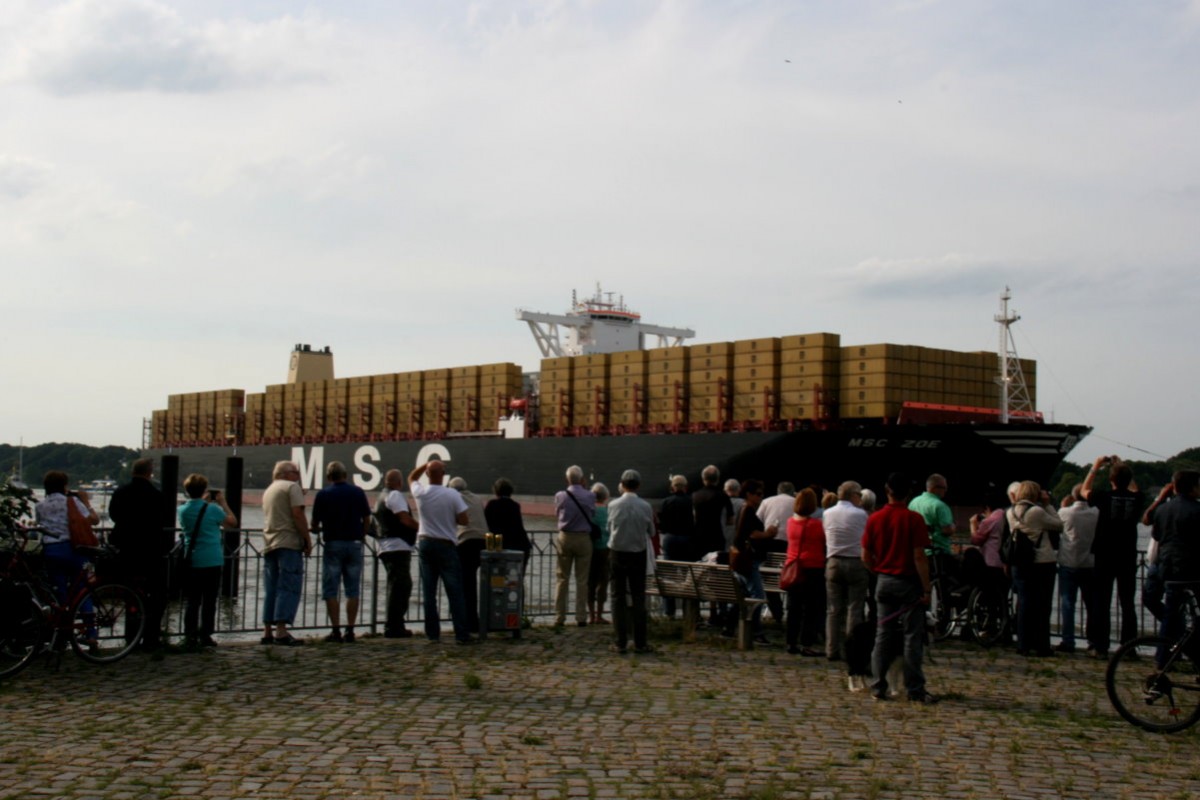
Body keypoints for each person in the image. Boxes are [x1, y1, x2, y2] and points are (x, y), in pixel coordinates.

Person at [860, 472, 937, 704]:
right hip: (909, 582)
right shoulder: (914, 519)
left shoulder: (874, 518)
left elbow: (865, 555)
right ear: (909, 493)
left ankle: (877, 685)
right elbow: (919, 557)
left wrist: (879, 572)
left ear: (887, 490)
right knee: (912, 637)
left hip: (884, 581)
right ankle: (914, 689)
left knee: (882, 635)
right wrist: (926, 589)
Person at [1082, 455, 1145, 657]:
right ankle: (1129, 646)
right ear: (1129, 479)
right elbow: (1134, 489)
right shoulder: (1137, 498)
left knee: (1102, 601)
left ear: (1111, 480)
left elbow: (1083, 491)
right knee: (1127, 603)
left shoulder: (1104, 497)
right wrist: (1122, 466)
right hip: (1127, 555)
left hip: (1104, 554)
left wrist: (1096, 466)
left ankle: (1101, 646)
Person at [108, 457, 169, 649]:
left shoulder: (120, 492)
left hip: (126, 549)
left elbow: (113, 515)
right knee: (157, 595)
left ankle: (131, 637)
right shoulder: (156, 495)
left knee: (131, 594)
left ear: (133, 471)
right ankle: (151, 637)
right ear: (150, 473)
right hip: (150, 550)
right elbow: (162, 519)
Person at [409, 460, 472, 644]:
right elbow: (464, 520)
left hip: (425, 543)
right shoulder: (452, 494)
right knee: (455, 591)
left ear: (427, 475)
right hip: (446, 545)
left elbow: (411, 477)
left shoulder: (420, 492)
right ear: (443, 474)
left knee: (428, 593)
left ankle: (432, 635)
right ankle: (461, 634)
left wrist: (426, 465)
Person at [311, 461, 371, 644]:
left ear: (329, 477)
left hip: (333, 545)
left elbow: (315, 522)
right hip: (354, 544)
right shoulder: (358, 492)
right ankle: (350, 630)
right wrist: (362, 534)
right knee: (353, 590)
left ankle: (335, 631)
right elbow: (367, 517)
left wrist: (315, 530)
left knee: (331, 590)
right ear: (346, 475)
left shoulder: (323, 494)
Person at [177, 474, 238, 649]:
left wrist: (203, 501)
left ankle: (189, 636)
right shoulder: (213, 510)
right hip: (212, 559)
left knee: (192, 600)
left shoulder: (182, 510)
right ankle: (206, 635)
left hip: (192, 559)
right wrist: (223, 503)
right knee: (210, 600)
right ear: (204, 489)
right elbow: (232, 523)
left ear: (187, 491)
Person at [1006, 481, 1063, 658]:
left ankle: (1023, 644)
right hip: (1042, 562)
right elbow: (1059, 525)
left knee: (1024, 603)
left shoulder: (1010, 511)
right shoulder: (1037, 512)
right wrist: (1048, 504)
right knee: (1042, 606)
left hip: (1020, 562)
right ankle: (1042, 646)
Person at [1148, 470, 1200, 657]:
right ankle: (1193, 652)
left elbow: (1156, 535)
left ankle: (1162, 659)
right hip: (1192, 571)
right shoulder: (1196, 510)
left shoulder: (1162, 510)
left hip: (1168, 569)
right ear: (1193, 487)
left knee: (1170, 616)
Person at [261, 460, 312, 646]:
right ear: (285, 473)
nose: (298, 476)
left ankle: (267, 631)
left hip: (269, 543)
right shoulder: (292, 487)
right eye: (295, 472)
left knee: (271, 588)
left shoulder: (270, 489)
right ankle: (281, 631)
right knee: (289, 586)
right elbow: (297, 515)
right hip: (288, 543)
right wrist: (307, 539)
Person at [606, 469, 655, 654]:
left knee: (617, 597)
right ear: (639, 485)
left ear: (622, 484)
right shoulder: (646, 506)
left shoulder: (612, 505)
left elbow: (608, 528)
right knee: (638, 597)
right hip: (638, 554)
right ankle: (641, 642)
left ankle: (620, 642)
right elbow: (651, 532)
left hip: (617, 554)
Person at [34, 471, 100, 605]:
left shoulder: (39, 506)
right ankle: (89, 623)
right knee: (82, 589)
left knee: (58, 589)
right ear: (64, 486)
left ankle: (63, 619)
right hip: (72, 548)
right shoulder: (73, 501)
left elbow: (41, 525)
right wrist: (86, 502)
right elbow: (94, 520)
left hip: (51, 550)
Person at [822, 480, 870, 661]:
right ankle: (852, 649)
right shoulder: (861, 514)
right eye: (859, 495)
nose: (861, 499)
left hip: (833, 562)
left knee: (833, 610)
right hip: (855, 562)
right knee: (854, 608)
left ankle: (831, 649)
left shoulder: (828, 513)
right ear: (853, 495)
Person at [726, 479, 773, 645]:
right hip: (748, 559)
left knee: (743, 595)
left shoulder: (741, 509)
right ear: (749, 494)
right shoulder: (748, 510)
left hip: (738, 557)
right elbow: (751, 534)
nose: (761, 497)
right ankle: (756, 632)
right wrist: (768, 533)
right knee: (757, 596)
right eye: (758, 494)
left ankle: (729, 627)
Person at [374, 469, 419, 638]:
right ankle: (394, 626)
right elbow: (405, 519)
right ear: (399, 483)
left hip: (386, 545)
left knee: (397, 585)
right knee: (401, 586)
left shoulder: (381, 496)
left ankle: (394, 624)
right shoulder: (395, 495)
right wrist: (424, 529)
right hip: (397, 546)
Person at [1056, 483, 1099, 654]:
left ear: (1074, 497)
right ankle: (1093, 640)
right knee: (1091, 605)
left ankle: (1068, 641)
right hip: (1089, 562)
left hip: (1068, 562)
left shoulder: (1065, 512)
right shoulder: (1096, 512)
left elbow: (1057, 524)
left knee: (1068, 604)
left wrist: (1062, 506)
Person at [784, 488, 827, 656]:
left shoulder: (790, 522)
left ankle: (791, 641)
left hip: (793, 566)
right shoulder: (816, 525)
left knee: (794, 607)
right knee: (811, 608)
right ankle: (807, 643)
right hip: (812, 567)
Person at [553, 465, 596, 628]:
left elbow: (557, 514)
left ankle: (559, 617)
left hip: (565, 537)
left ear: (567, 479)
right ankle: (581, 617)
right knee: (582, 580)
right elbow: (592, 514)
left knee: (562, 578)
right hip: (584, 538)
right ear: (583, 479)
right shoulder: (590, 495)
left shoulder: (560, 495)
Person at [693, 465, 734, 627]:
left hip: (699, 538)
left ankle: (696, 613)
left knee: (699, 574)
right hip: (716, 537)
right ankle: (718, 612)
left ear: (703, 479)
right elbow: (731, 520)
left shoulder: (695, 495)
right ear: (717, 479)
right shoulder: (723, 496)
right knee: (719, 577)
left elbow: (694, 516)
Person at [449, 477, 487, 634]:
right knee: (478, 582)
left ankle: (468, 622)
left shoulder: (453, 497)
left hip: (465, 543)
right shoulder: (478, 498)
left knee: (466, 584)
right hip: (483, 542)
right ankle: (480, 619)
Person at [758, 481, 797, 625]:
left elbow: (758, 520)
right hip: (790, 545)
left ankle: (777, 611)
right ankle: (790, 608)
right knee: (793, 577)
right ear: (792, 492)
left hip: (770, 543)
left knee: (768, 579)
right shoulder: (796, 502)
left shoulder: (766, 502)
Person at [658, 475, 695, 619]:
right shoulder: (691, 501)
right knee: (688, 576)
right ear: (685, 487)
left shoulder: (666, 502)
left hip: (670, 538)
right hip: (687, 539)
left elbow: (662, 524)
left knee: (669, 576)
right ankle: (688, 611)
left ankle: (669, 611)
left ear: (673, 487)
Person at [483, 478, 532, 567]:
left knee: (498, 576)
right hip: (521, 546)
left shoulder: (492, 504)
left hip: (500, 547)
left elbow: (485, 524)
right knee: (516, 577)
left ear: (496, 490)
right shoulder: (515, 505)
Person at [587, 483, 612, 625]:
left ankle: (591, 615)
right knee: (603, 582)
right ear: (606, 497)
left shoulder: (589, 511)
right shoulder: (609, 511)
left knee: (590, 582)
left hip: (591, 548)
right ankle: (600, 615)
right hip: (606, 550)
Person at [723, 479, 744, 551]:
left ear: (725, 490)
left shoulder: (718, 502)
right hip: (736, 543)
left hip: (720, 540)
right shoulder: (744, 504)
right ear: (739, 489)